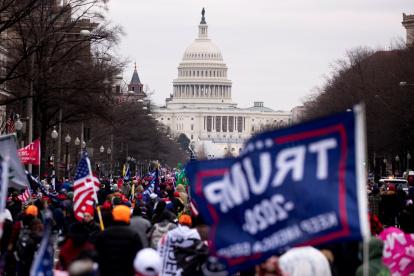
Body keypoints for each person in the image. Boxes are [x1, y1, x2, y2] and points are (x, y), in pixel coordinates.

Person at [94, 205, 143, 276]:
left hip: (107, 272)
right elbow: (138, 256)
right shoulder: (133, 235)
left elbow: (98, 254)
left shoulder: (103, 234)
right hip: (127, 272)